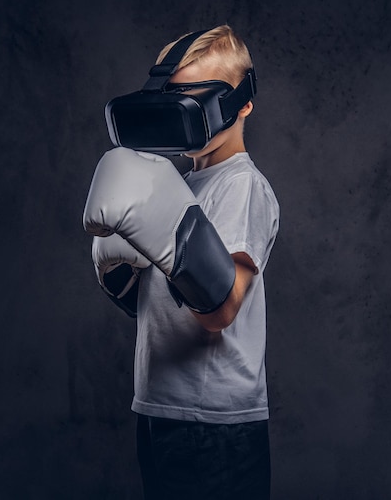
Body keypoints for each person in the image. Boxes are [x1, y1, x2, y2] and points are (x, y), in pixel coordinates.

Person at [90, 25, 280, 499]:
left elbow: (222, 309)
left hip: (214, 421)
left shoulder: (243, 185)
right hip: (159, 407)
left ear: (243, 104)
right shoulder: (177, 184)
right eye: (176, 99)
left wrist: (175, 240)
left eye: (201, 102)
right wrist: (120, 279)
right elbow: (162, 310)